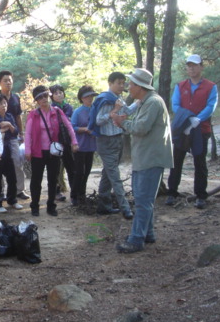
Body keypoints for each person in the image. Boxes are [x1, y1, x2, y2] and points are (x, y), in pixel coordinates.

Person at [111, 69, 173, 253]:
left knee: (143, 201)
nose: (128, 87)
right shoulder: (147, 102)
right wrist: (125, 120)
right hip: (144, 157)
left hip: (150, 158)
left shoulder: (153, 102)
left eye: (131, 84)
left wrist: (122, 123)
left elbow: (141, 127)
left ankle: (136, 239)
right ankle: (148, 233)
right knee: (143, 198)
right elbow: (141, 125)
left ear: (140, 86)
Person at [166, 55, 218, 209]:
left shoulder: (210, 86)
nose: (192, 68)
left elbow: (211, 105)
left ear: (201, 67)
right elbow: (175, 104)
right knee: (176, 161)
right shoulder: (180, 86)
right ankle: (172, 193)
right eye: (189, 66)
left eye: (195, 65)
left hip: (201, 129)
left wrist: (198, 119)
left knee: (200, 162)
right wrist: (187, 118)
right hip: (183, 129)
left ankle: (201, 195)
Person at [88, 71, 136, 220]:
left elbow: (128, 111)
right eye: (118, 83)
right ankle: (125, 208)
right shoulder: (105, 99)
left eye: (123, 83)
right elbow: (98, 120)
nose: (121, 86)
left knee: (107, 174)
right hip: (106, 141)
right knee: (114, 175)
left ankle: (104, 206)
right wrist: (114, 111)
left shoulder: (119, 98)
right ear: (110, 83)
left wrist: (140, 100)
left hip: (117, 139)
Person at [24, 85, 78, 217]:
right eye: (39, 97)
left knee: (53, 179)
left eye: (45, 96)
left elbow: (69, 126)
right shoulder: (33, 115)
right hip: (37, 152)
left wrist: (74, 142)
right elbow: (28, 134)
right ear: (36, 101)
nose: (43, 99)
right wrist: (27, 150)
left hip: (54, 151)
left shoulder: (57, 111)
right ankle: (35, 206)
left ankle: (51, 206)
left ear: (49, 96)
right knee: (36, 180)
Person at [0, 70, 29, 200]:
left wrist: (21, 132)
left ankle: (19, 190)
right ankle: (1, 192)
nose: (8, 82)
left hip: (14, 135)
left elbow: (18, 116)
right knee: (0, 164)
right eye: (5, 80)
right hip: (1, 136)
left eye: (10, 80)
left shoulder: (16, 97)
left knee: (17, 162)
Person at [0, 93, 21, 212]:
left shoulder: (9, 116)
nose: (4, 106)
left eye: (5, 103)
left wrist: (9, 126)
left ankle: (12, 200)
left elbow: (15, 132)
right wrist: (4, 128)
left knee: (12, 176)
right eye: (1, 103)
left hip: (7, 148)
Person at [71, 85, 98, 206]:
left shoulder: (95, 109)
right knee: (79, 172)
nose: (90, 99)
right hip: (80, 146)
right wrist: (85, 129)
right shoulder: (78, 111)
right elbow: (72, 127)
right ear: (82, 98)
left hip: (91, 145)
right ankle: (74, 195)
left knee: (87, 171)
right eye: (87, 97)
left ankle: (82, 195)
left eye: (91, 96)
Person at [50, 84, 75, 203]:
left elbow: (71, 124)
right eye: (56, 93)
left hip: (68, 141)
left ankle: (74, 192)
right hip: (56, 142)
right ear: (52, 96)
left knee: (71, 167)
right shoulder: (50, 109)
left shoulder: (68, 107)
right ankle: (57, 191)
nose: (59, 95)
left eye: (60, 92)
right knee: (56, 168)